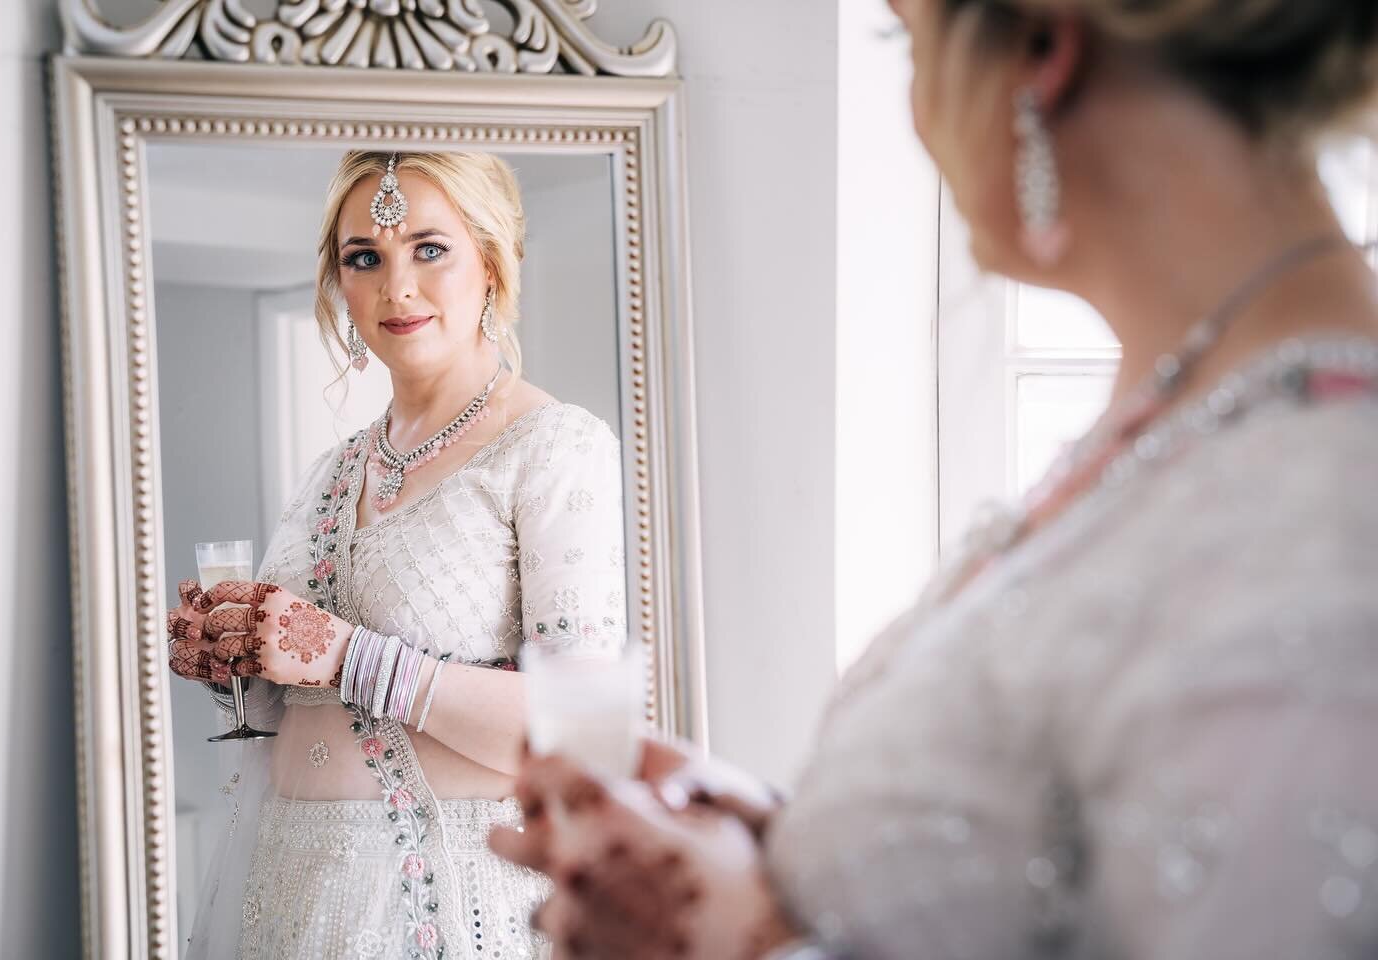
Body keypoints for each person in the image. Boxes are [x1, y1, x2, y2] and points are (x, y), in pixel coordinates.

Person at [490, 1, 1378, 957]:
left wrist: (737, 940)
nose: (916, 112)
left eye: (904, 40)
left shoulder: (1321, 517)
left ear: (1043, 51)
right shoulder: (1181, 409)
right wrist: (772, 840)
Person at [166, 151, 628, 960]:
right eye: (364, 258)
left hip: (449, 905)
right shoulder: (329, 473)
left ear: (489, 262)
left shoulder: (552, 447)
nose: (397, 287)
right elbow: (290, 715)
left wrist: (348, 655)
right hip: (292, 897)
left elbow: (582, 732)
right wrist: (233, 666)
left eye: (430, 249)